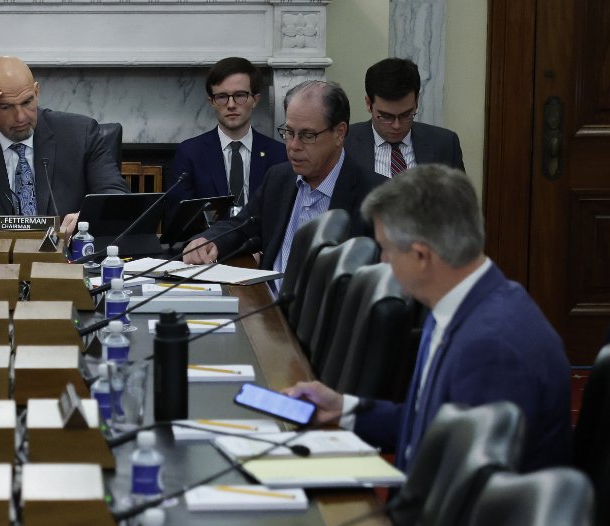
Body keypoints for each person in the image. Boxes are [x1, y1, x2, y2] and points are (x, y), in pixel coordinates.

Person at [286, 165, 570, 472]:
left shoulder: (493, 348)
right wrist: (343, 409)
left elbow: (466, 489)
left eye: (386, 249)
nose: (382, 261)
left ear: (422, 256)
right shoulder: (454, 304)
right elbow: (428, 423)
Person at [183, 80, 384, 271]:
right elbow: (241, 227)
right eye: (289, 132)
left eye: (307, 135)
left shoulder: (376, 197)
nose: (293, 146)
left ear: (340, 133)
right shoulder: (279, 178)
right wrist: (209, 241)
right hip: (266, 300)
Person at [0, 56, 127, 237]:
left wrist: (86, 218)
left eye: (27, 102)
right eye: (6, 107)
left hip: (65, 262)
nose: (21, 117)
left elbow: (117, 199)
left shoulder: (80, 134)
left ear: (36, 92)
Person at [170, 58, 287, 208]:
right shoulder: (189, 153)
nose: (231, 105)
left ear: (255, 100)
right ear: (211, 101)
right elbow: (180, 218)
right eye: (222, 97)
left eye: (239, 95)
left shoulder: (278, 154)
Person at [345, 58, 465, 178]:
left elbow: (458, 196)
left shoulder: (445, 144)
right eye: (386, 116)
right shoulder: (343, 144)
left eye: (406, 115)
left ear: (416, 102)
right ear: (368, 104)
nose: (396, 125)